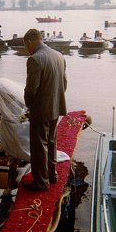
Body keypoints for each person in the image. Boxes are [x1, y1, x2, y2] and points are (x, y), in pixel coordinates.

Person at [22, 29, 67, 191]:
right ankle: (52, 175)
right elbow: (64, 84)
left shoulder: (35, 59)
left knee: (39, 146)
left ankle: (41, 182)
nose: (27, 50)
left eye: (26, 46)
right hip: (56, 107)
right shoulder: (58, 55)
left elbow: (31, 90)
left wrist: (28, 105)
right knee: (51, 142)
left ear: (29, 42)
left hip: (41, 110)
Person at [0, 77, 31, 188]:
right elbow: (28, 110)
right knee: (24, 149)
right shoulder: (18, 97)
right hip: (19, 127)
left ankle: (10, 180)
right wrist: (20, 120)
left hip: (7, 129)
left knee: (12, 154)